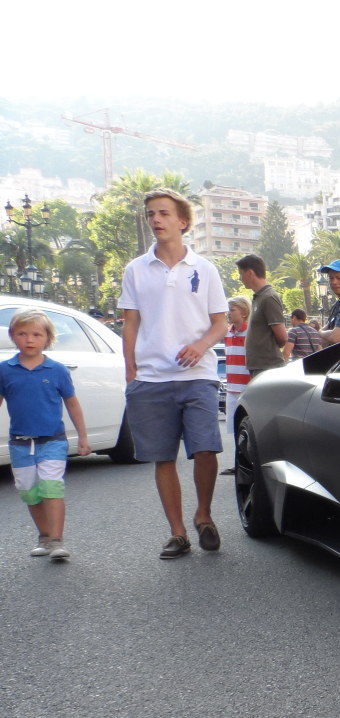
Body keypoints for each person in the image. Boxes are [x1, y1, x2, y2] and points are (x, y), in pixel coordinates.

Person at [120, 187, 229, 560]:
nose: (156, 220)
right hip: (151, 379)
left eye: (164, 213)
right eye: (151, 214)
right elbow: (130, 323)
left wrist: (200, 346)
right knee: (162, 457)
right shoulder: (136, 269)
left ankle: (204, 514)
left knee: (205, 448)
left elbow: (220, 323)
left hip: (198, 373)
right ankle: (178, 533)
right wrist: (131, 372)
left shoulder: (205, 269)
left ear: (183, 222)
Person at [0, 308, 91, 561]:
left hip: (52, 440)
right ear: (12, 336)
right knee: (29, 491)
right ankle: (44, 536)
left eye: (37, 334)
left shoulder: (57, 370)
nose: (29, 339)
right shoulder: (4, 369)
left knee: (52, 487)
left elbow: (72, 404)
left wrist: (83, 437)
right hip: (20, 442)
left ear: (47, 339)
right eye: (22, 333)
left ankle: (57, 541)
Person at [236, 254, 286, 380]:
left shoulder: (269, 297)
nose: (240, 278)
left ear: (250, 273)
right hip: (260, 367)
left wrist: (267, 351)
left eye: (241, 274)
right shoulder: (260, 297)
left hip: (268, 368)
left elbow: (282, 337)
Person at [220, 297, 250, 474]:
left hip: (246, 387)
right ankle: (239, 464)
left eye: (232, 310)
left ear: (244, 312)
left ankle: (246, 464)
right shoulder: (227, 333)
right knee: (234, 428)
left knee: (246, 427)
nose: (228, 313)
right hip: (232, 387)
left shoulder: (251, 333)